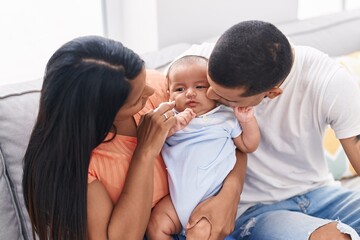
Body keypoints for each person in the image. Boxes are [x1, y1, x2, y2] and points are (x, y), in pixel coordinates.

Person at [22, 35, 247, 240]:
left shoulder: (163, 89)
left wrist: (230, 193)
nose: (151, 92)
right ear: (103, 114)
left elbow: (230, 139)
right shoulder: (80, 170)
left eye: (145, 79)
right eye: (138, 97)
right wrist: (144, 153)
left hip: (214, 215)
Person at [181, 20, 360, 239]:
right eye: (208, 85)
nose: (209, 96)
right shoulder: (196, 63)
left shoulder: (328, 80)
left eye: (224, 98)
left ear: (272, 93)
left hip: (322, 193)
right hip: (258, 210)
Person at [146, 55, 260, 239]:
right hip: (176, 199)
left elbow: (248, 145)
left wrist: (247, 120)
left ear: (214, 91)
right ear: (169, 94)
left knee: (201, 234)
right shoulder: (170, 118)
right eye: (180, 89)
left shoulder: (225, 117)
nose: (190, 93)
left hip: (212, 197)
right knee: (155, 225)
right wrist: (171, 129)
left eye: (199, 87)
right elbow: (151, 147)